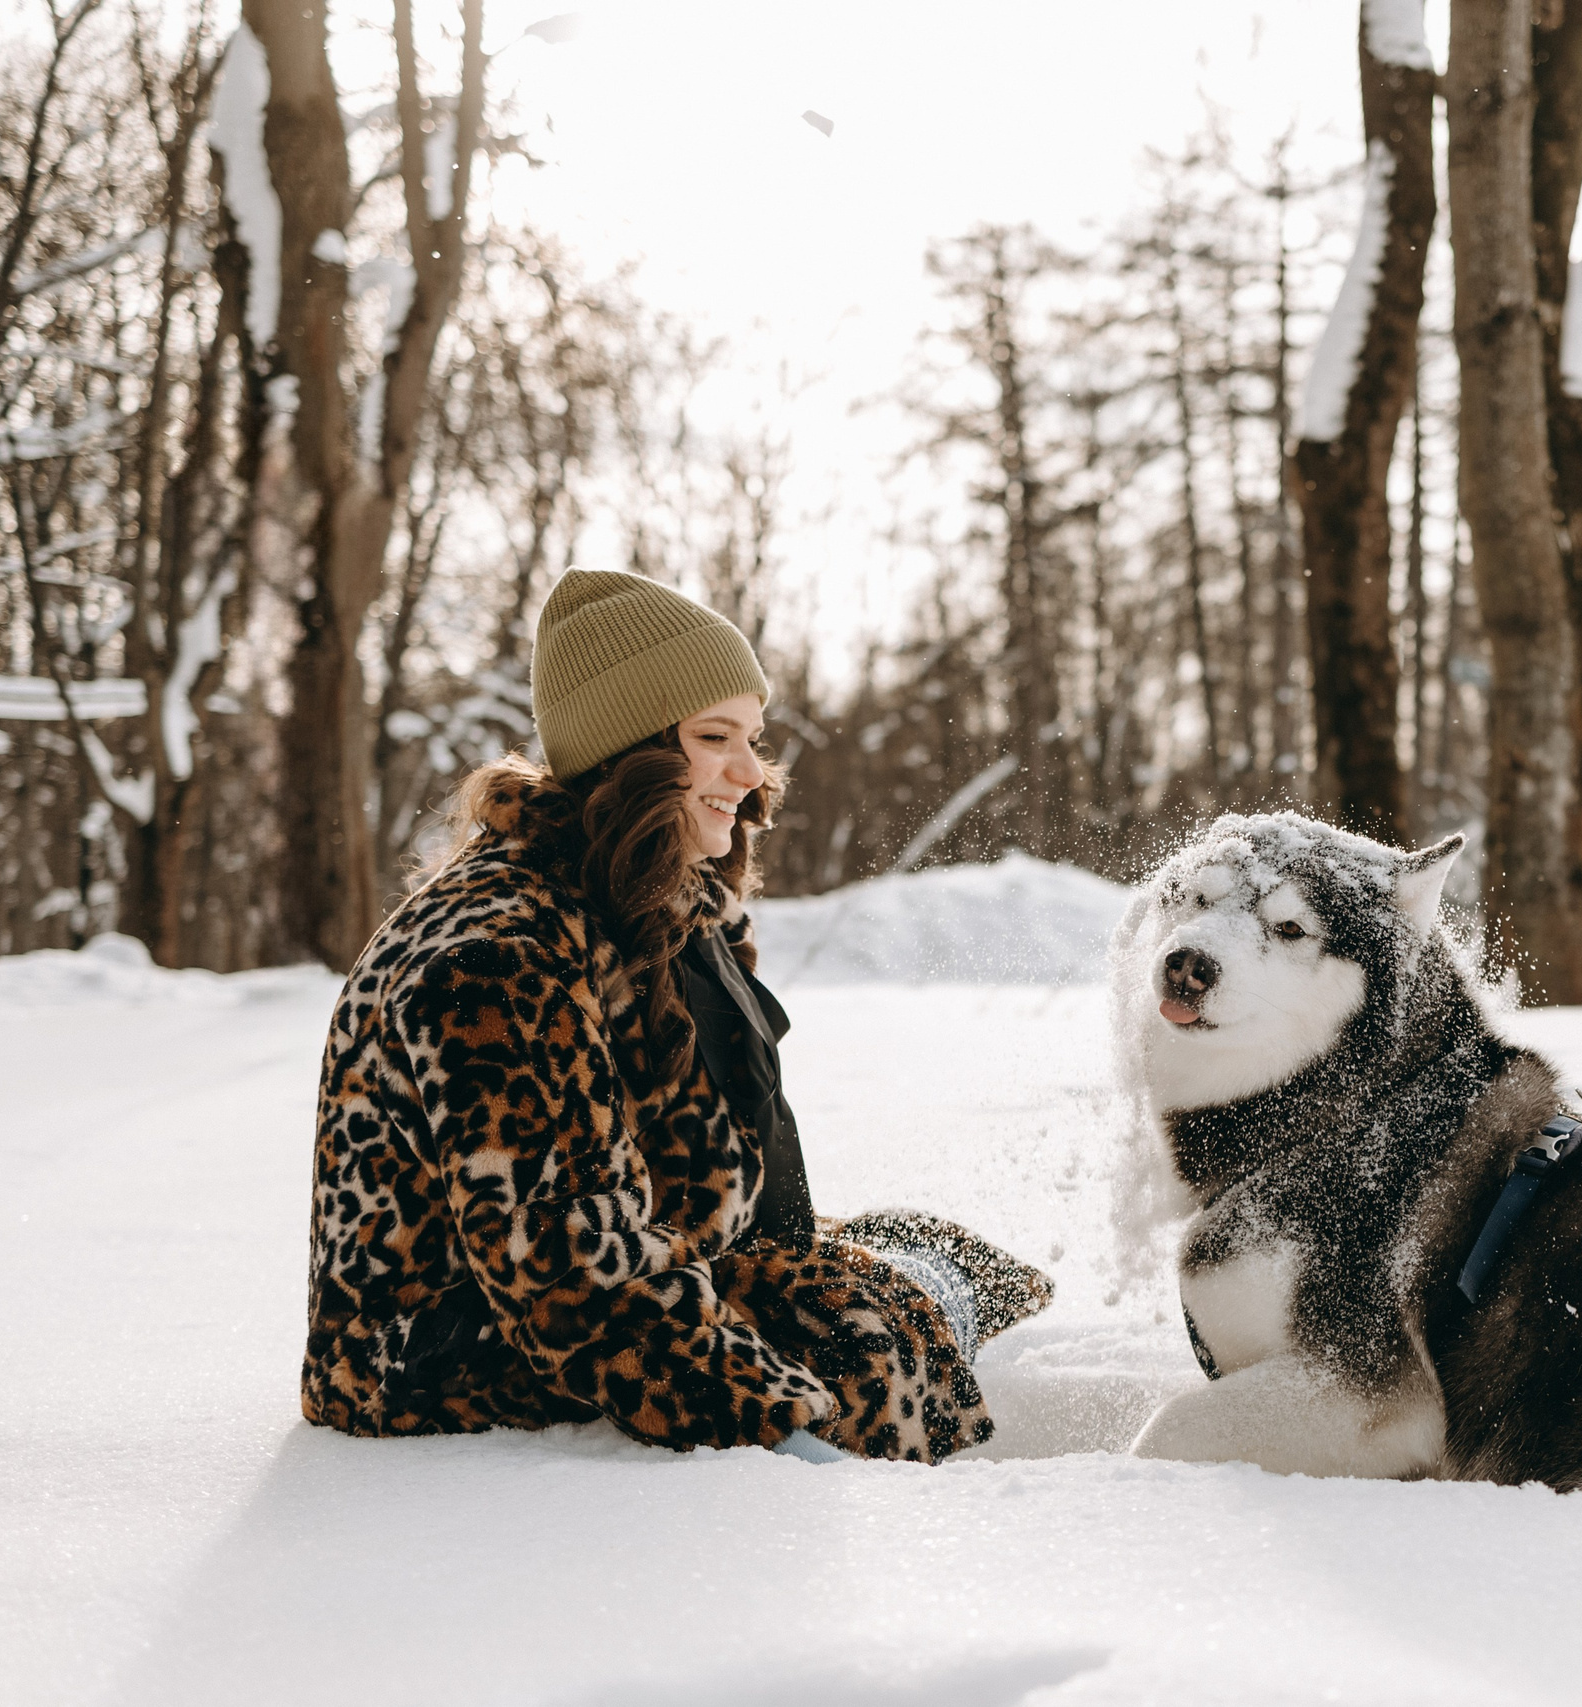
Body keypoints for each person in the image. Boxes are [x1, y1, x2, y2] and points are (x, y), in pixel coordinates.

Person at [301, 568, 1050, 1462]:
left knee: (906, 1251)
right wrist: (788, 1436)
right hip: (438, 1366)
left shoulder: (637, 902)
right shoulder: (501, 953)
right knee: (863, 1336)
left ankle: (932, 1300)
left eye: (752, 738)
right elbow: (573, 1282)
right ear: (631, 747)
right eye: (713, 737)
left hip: (595, 1287)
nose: (750, 770)